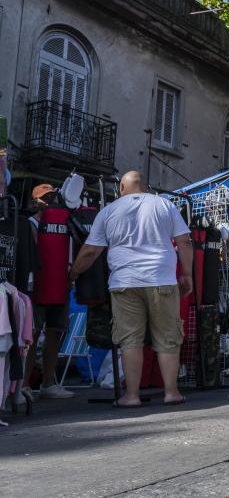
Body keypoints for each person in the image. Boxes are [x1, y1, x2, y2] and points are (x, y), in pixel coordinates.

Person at [70, 171, 191, 407]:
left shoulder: (109, 211)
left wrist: (73, 274)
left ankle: (132, 396)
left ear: (121, 188)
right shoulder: (164, 204)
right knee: (168, 338)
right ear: (145, 187)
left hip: (124, 283)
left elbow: (90, 252)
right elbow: (185, 241)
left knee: (130, 340)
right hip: (161, 279)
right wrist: (187, 274)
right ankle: (171, 393)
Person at [25, 184, 74, 399]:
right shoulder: (31, 223)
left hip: (59, 284)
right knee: (32, 335)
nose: (51, 199)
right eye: (46, 197)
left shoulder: (65, 221)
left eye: (53, 195)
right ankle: (25, 385)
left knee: (55, 332)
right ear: (36, 201)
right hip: (36, 286)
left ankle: (48, 383)